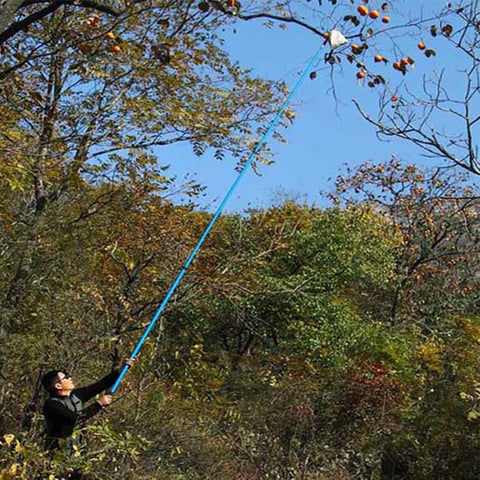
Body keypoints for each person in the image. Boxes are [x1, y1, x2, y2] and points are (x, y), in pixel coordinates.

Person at [41, 358, 135, 452]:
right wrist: (98, 404)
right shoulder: (51, 405)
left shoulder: (76, 395)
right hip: (59, 453)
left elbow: (101, 385)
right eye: (66, 377)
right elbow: (75, 419)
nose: (70, 378)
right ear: (58, 386)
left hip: (79, 450)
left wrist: (121, 370)